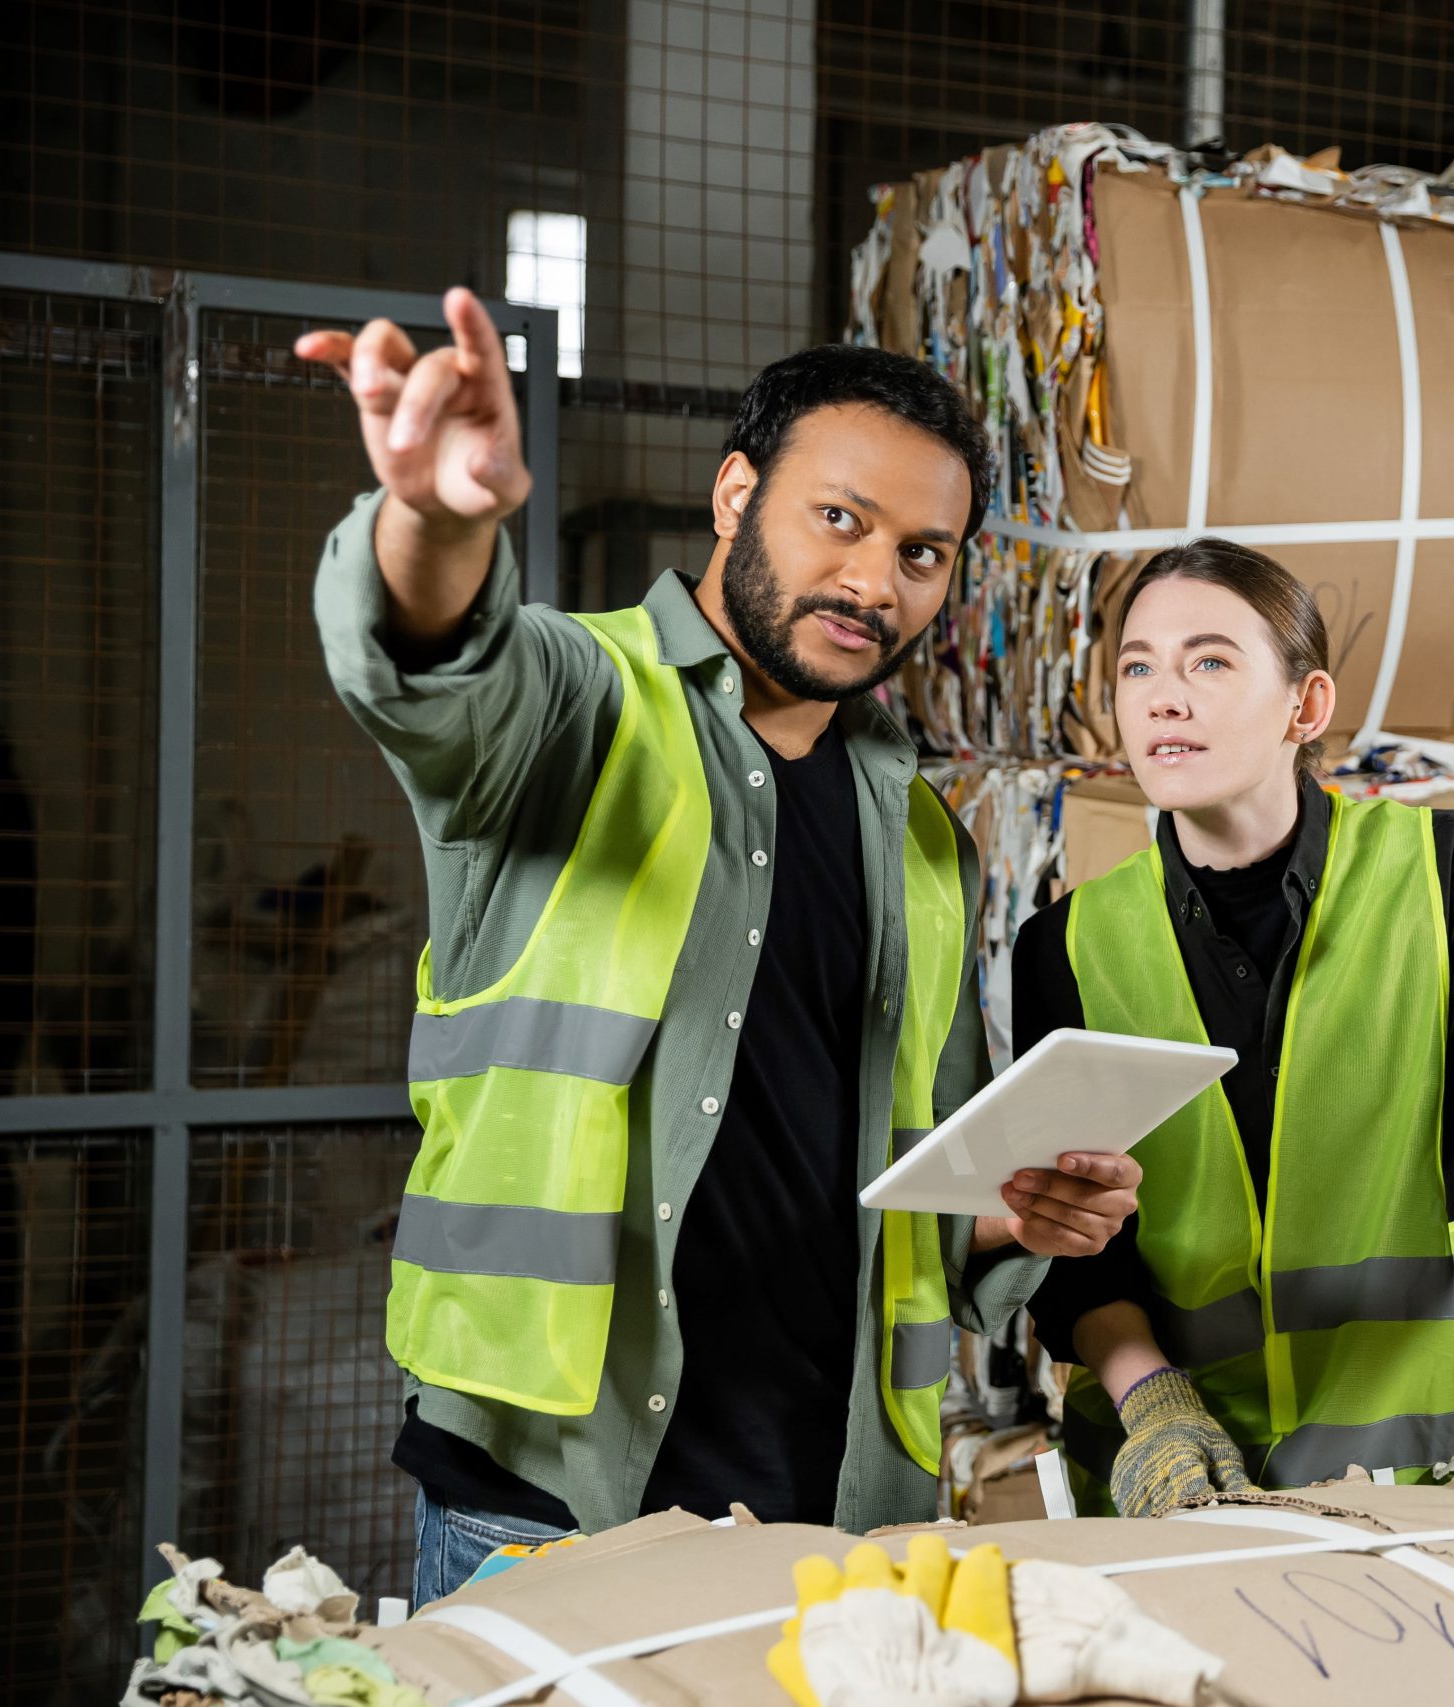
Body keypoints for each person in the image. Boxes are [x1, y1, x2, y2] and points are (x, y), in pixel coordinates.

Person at [297, 290, 1142, 1604]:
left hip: (834, 1506)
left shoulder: (919, 836)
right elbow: (438, 664)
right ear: (737, 491)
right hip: (551, 1500)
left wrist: (1016, 1213)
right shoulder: (580, 709)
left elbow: (918, 1181)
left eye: (924, 553)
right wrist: (441, 519)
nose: (874, 580)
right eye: (841, 518)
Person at [1013, 538, 1454, 1520]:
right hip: (1175, 1487)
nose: (1163, 696)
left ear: (1305, 706)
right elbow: (1070, 1232)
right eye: (1136, 667)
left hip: (1414, 1480)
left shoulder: (1442, 873)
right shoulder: (1065, 944)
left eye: (1208, 661)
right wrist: (1152, 1405)